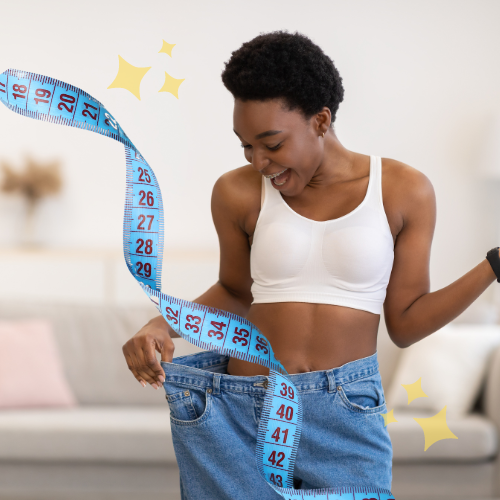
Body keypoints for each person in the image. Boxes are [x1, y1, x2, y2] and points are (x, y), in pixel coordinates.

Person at [122, 30, 500, 499]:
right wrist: (164, 321)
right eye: (245, 146)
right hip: (240, 408)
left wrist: (493, 266)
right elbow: (236, 293)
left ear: (321, 121)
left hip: (344, 410)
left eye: (272, 143)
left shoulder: (403, 190)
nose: (259, 161)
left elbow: (404, 321)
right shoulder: (235, 192)